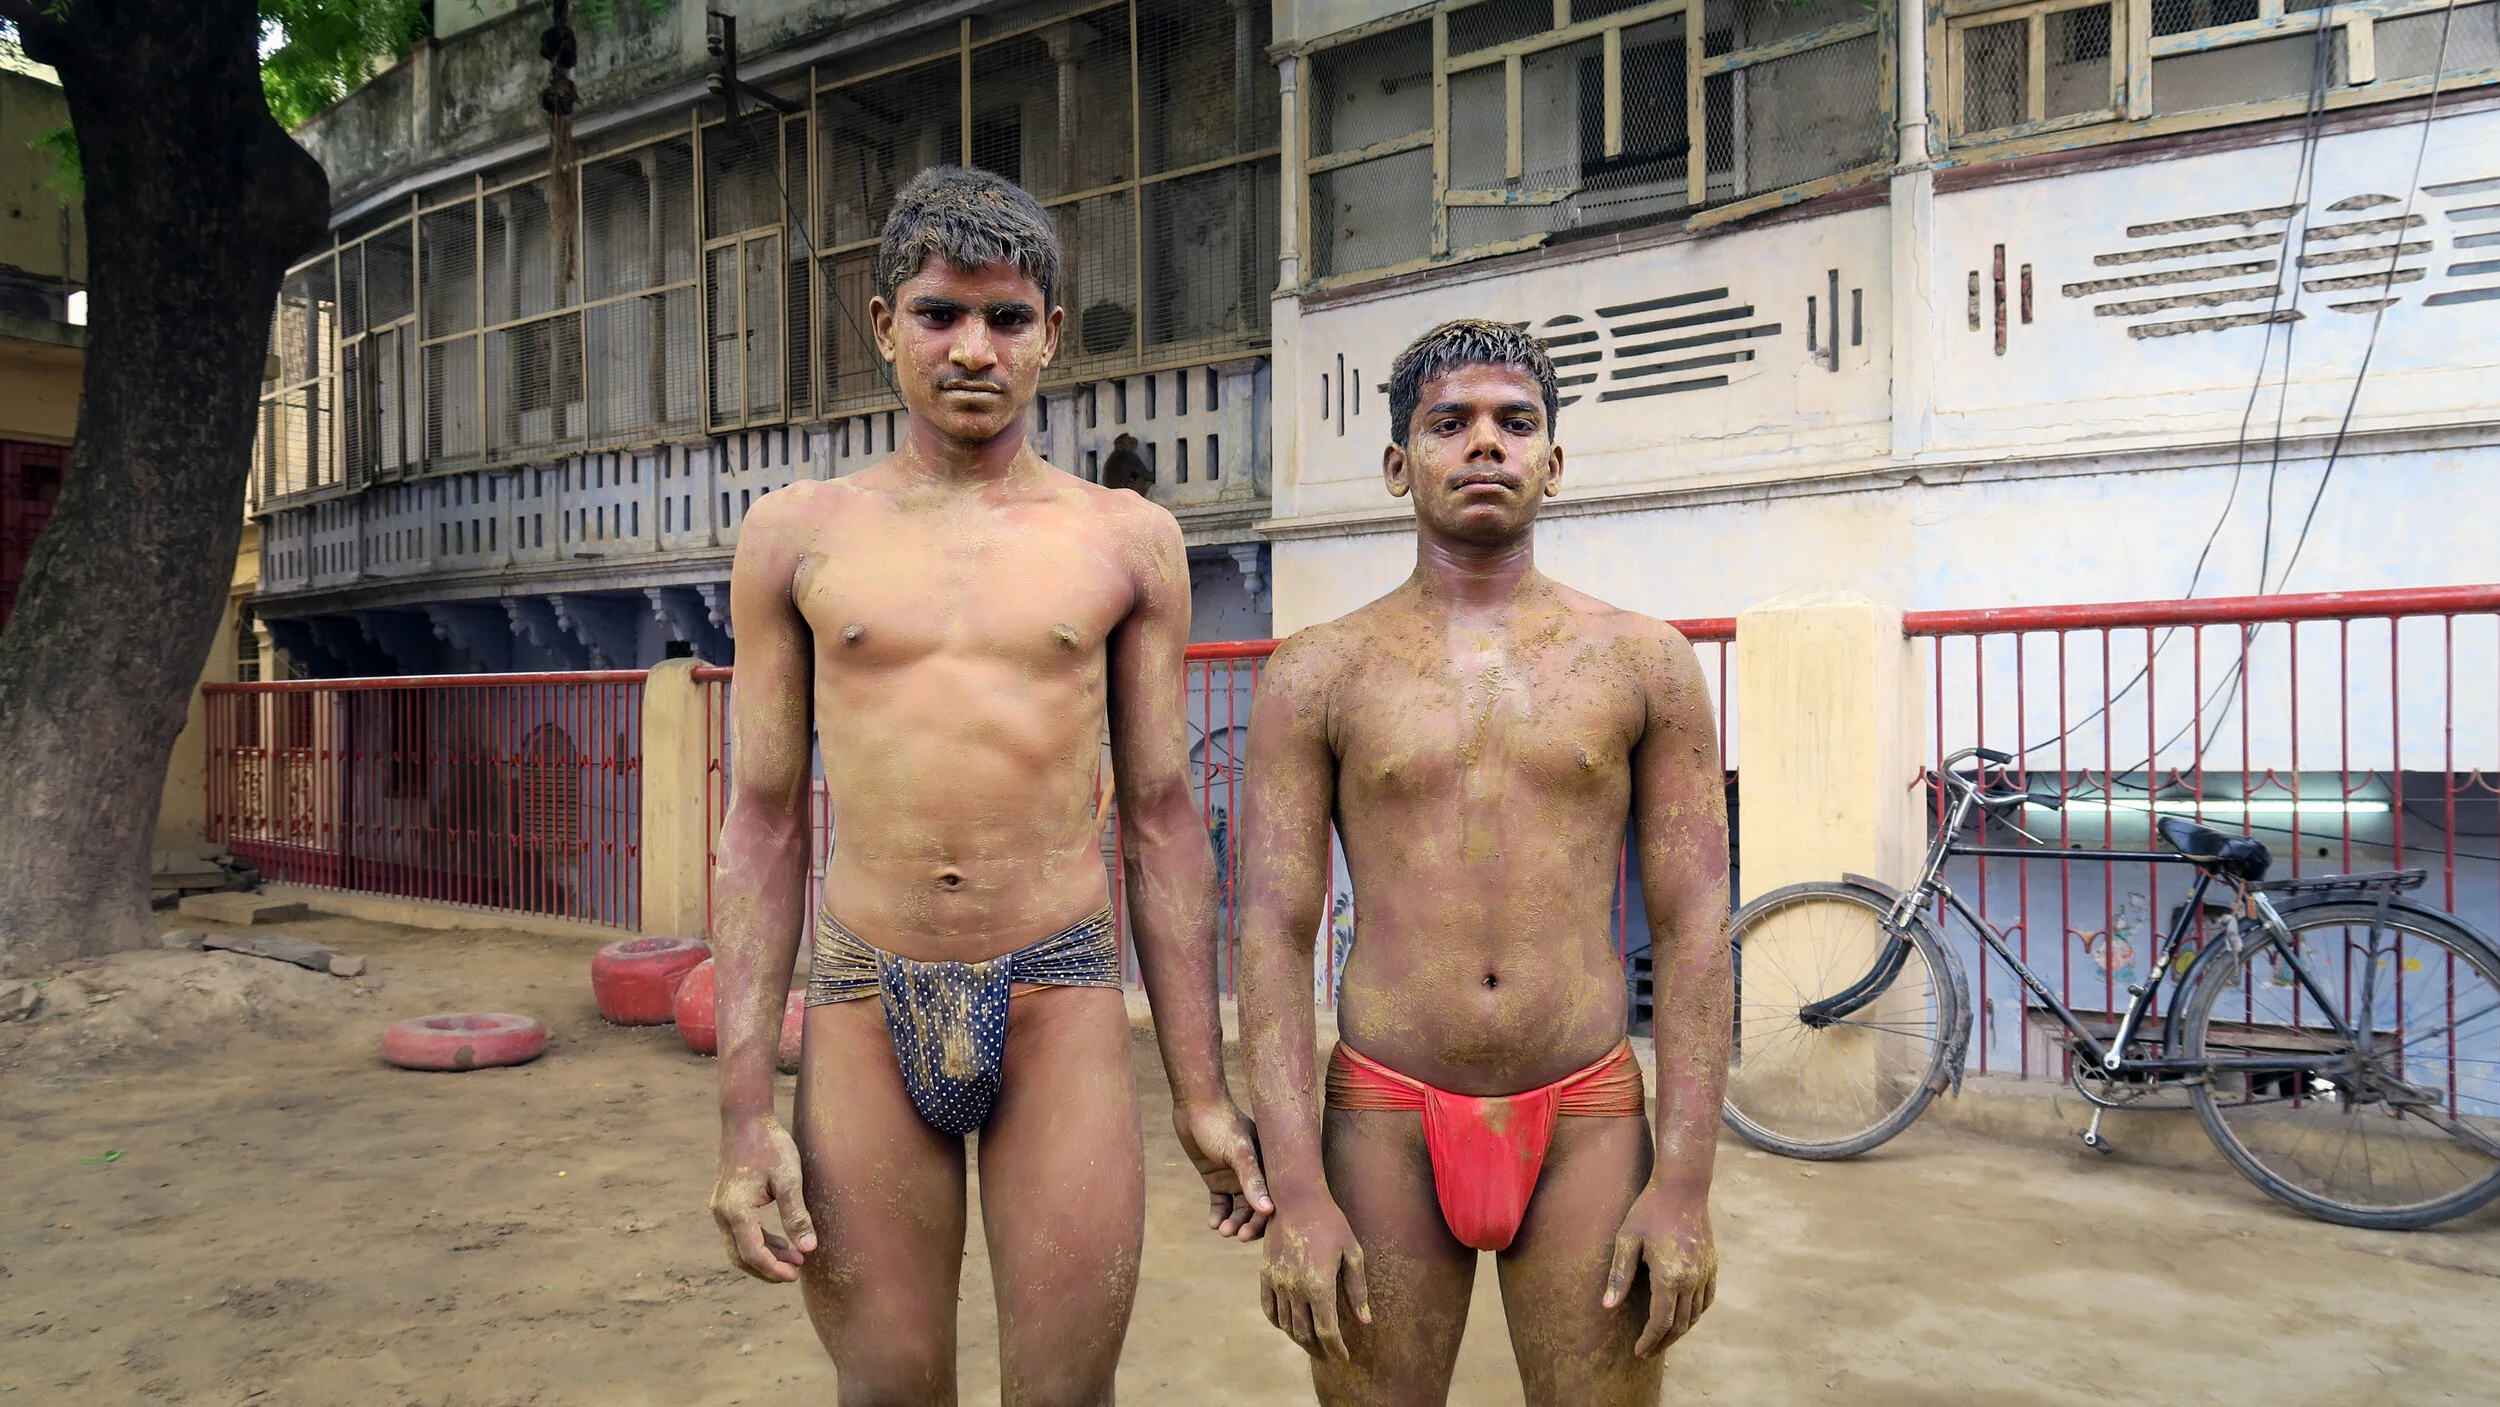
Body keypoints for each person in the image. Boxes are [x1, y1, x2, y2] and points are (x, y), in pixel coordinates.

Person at [707, 165, 1270, 1404]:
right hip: (860, 990)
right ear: (881, 325)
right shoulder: (797, 536)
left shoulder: (1124, 541)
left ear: (1050, 336)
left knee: (1064, 1394)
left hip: (1058, 989)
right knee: (891, 1387)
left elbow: (1166, 822)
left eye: (1007, 318)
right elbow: (758, 825)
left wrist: (1202, 1093)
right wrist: (746, 1112)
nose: (973, 348)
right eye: (938, 313)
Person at [1235, 319, 1732, 1405]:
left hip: (1587, 1113)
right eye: (1447, 422)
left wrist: (1683, 1187)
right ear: (1396, 463)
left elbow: (1696, 926)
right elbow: (1271, 933)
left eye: (1516, 423)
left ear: (1553, 464)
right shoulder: (1319, 671)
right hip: (1384, 1116)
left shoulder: (1643, 661)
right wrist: (1299, 1191)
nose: (1484, 445)